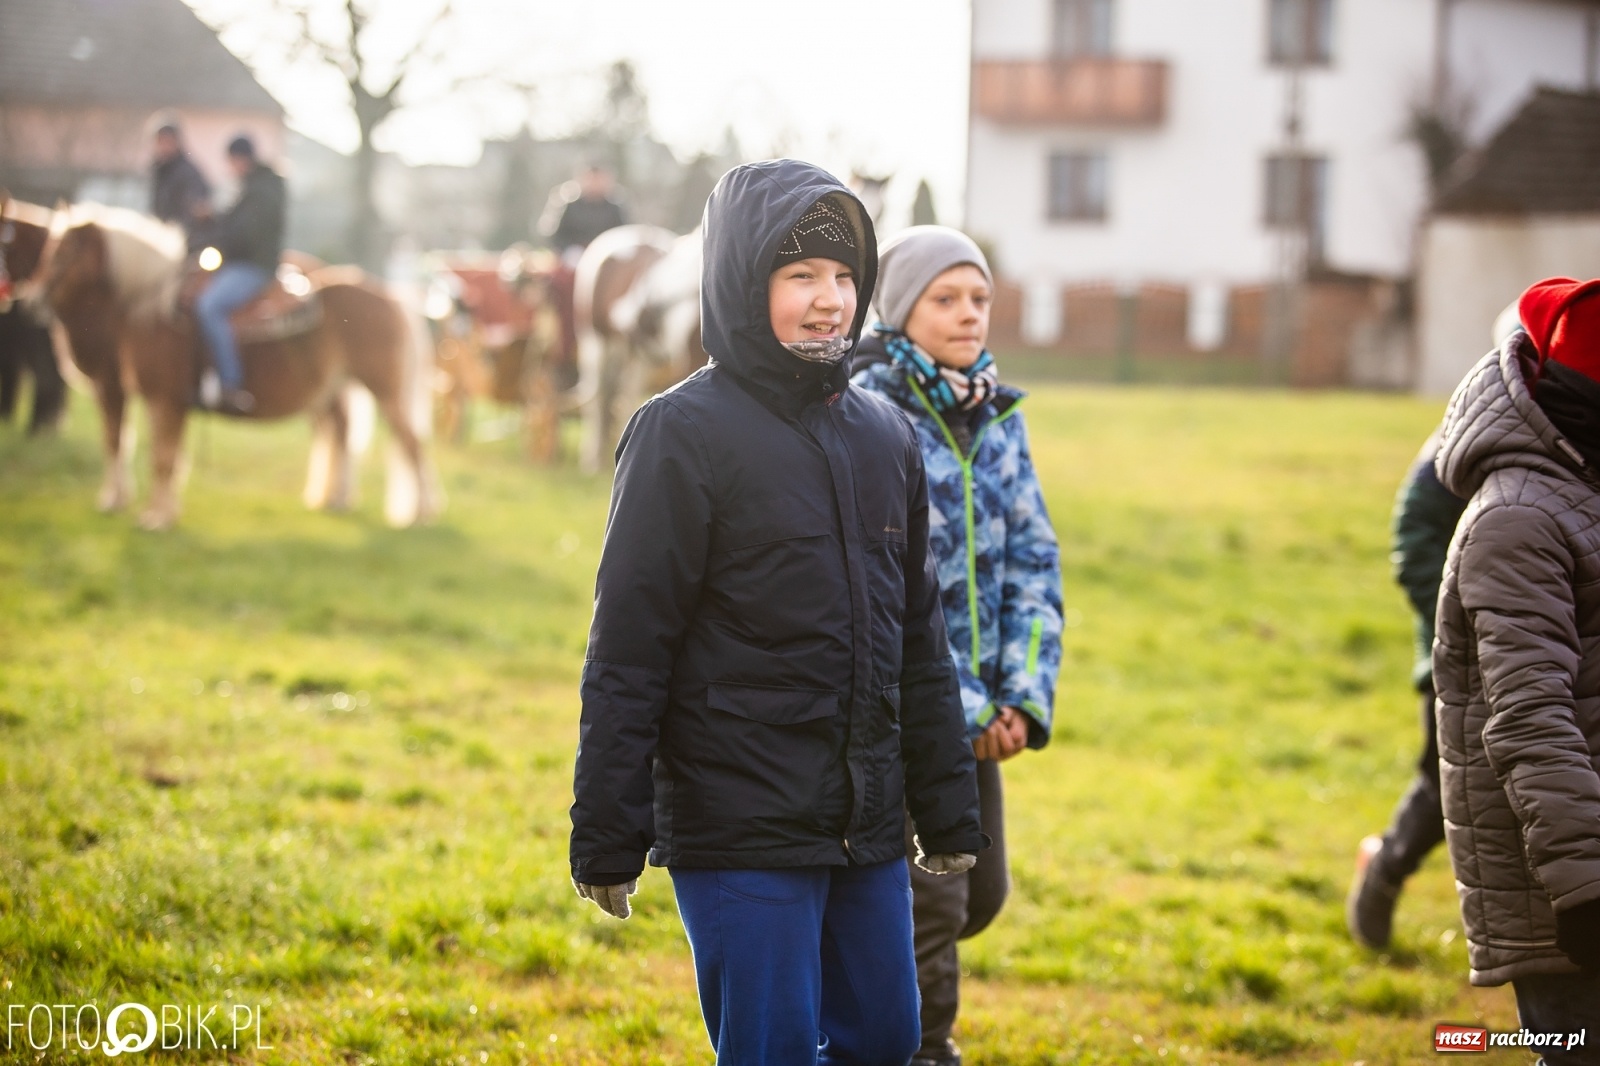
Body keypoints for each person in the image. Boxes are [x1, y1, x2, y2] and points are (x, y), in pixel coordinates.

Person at [568, 160, 986, 1066]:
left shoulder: (887, 435)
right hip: (739, 818)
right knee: (775, 1049)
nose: (830, 299)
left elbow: (920, 635)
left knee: (886, 1037)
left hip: (865, 816)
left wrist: (945, 806)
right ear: (741, 282)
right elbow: (630, 645)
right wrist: (608, 826)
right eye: (801, 276)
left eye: (844, 276)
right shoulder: (680, 434)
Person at [850, 226, 1063, 1066]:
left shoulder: (997, 417)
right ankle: (921, 1049)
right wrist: (964, 708)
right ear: (902, 311)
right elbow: (884, 587)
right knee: (932, 905)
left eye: (979, 298)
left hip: (983, 712)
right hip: (906, 709)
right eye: (946, 298)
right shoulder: (872, 416)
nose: (968, 314)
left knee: (982, 896)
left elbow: (1034, 564)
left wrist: (1018, 698)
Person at [1433, 276, 1600, 1060]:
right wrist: (1587, 887)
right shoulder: (1520, 518)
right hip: (1567, 888)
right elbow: (1531, 715)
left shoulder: (1583, 491)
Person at [1345, 432, 1467, 948]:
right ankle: (1386, 867)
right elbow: (1415, 526)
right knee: (1451, 788)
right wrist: (1461, 623)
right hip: (1466, 653)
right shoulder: (1479, 417)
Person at [194, 134, 285, 413]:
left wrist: (217, 232)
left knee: (209, 306)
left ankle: (230, 383)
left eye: (231, 161)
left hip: (253, 268)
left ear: (240, 160)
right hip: (240, 263)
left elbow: (244, 234)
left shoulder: (260, 191)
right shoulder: (253, 188)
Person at [148, 121, 213, 253]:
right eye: (161, 141)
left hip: (183, 242)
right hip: (160, 238)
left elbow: (196, 209)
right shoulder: (158, 170)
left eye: (168, 140)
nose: (164, 145)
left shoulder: (188, 172)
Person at [543, 164, 626, 261]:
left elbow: (623, 233)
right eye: (592, 179)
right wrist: (569, 250)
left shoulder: (615, 206)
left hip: (606, 253)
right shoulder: (569, 204)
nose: (595, 183)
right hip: (574, 254)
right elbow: (555, 235)